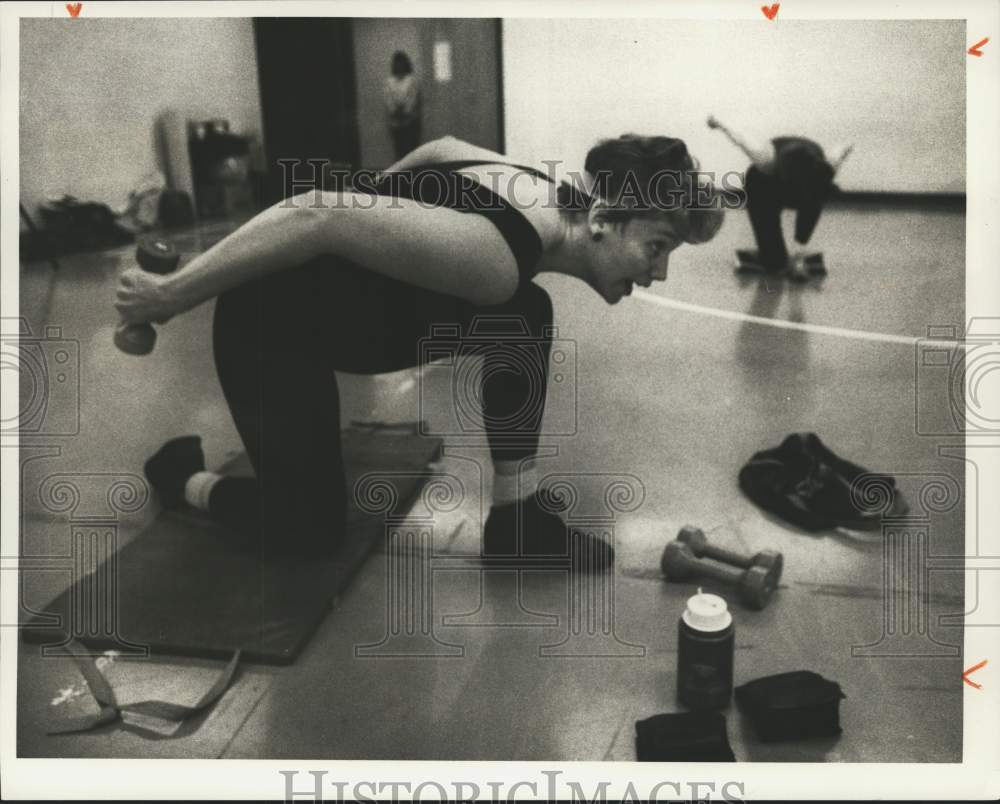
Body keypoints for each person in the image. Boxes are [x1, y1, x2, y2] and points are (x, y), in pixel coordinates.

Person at [116, 133, 724, 571]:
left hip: (328, 313)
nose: (661, 272)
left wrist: (390, 217)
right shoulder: (495, 257)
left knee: (525, 310)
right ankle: (181, 477)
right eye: (657, 246)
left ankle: (519, 522)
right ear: (603, 217)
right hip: (266, 331)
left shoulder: (537, 193)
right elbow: (318, 209)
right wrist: (170, 293)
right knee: (307, 531)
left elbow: (440, 148)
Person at [706, 114, 852, 279]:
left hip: (808, 182)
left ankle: (792, 252)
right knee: (773, 258)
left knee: (812, 204)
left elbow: (843, 149)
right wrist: (718, 122)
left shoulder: (825, 169)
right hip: (763, 183)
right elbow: (740, 137)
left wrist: (798, 253)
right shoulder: (765, 159)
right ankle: (772, 255)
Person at [384, 51, 422, 160]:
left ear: (405, 64)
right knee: (399, 151)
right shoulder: (389, 81)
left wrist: (405, 111)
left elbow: (413, 98)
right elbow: (388, 98)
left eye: (401, 63)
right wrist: (395, 110)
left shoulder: (412, 80)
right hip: (395, 122)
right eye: (397, 63)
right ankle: (401, 174)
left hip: (409, 122)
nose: (399, 66)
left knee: (410, 151)